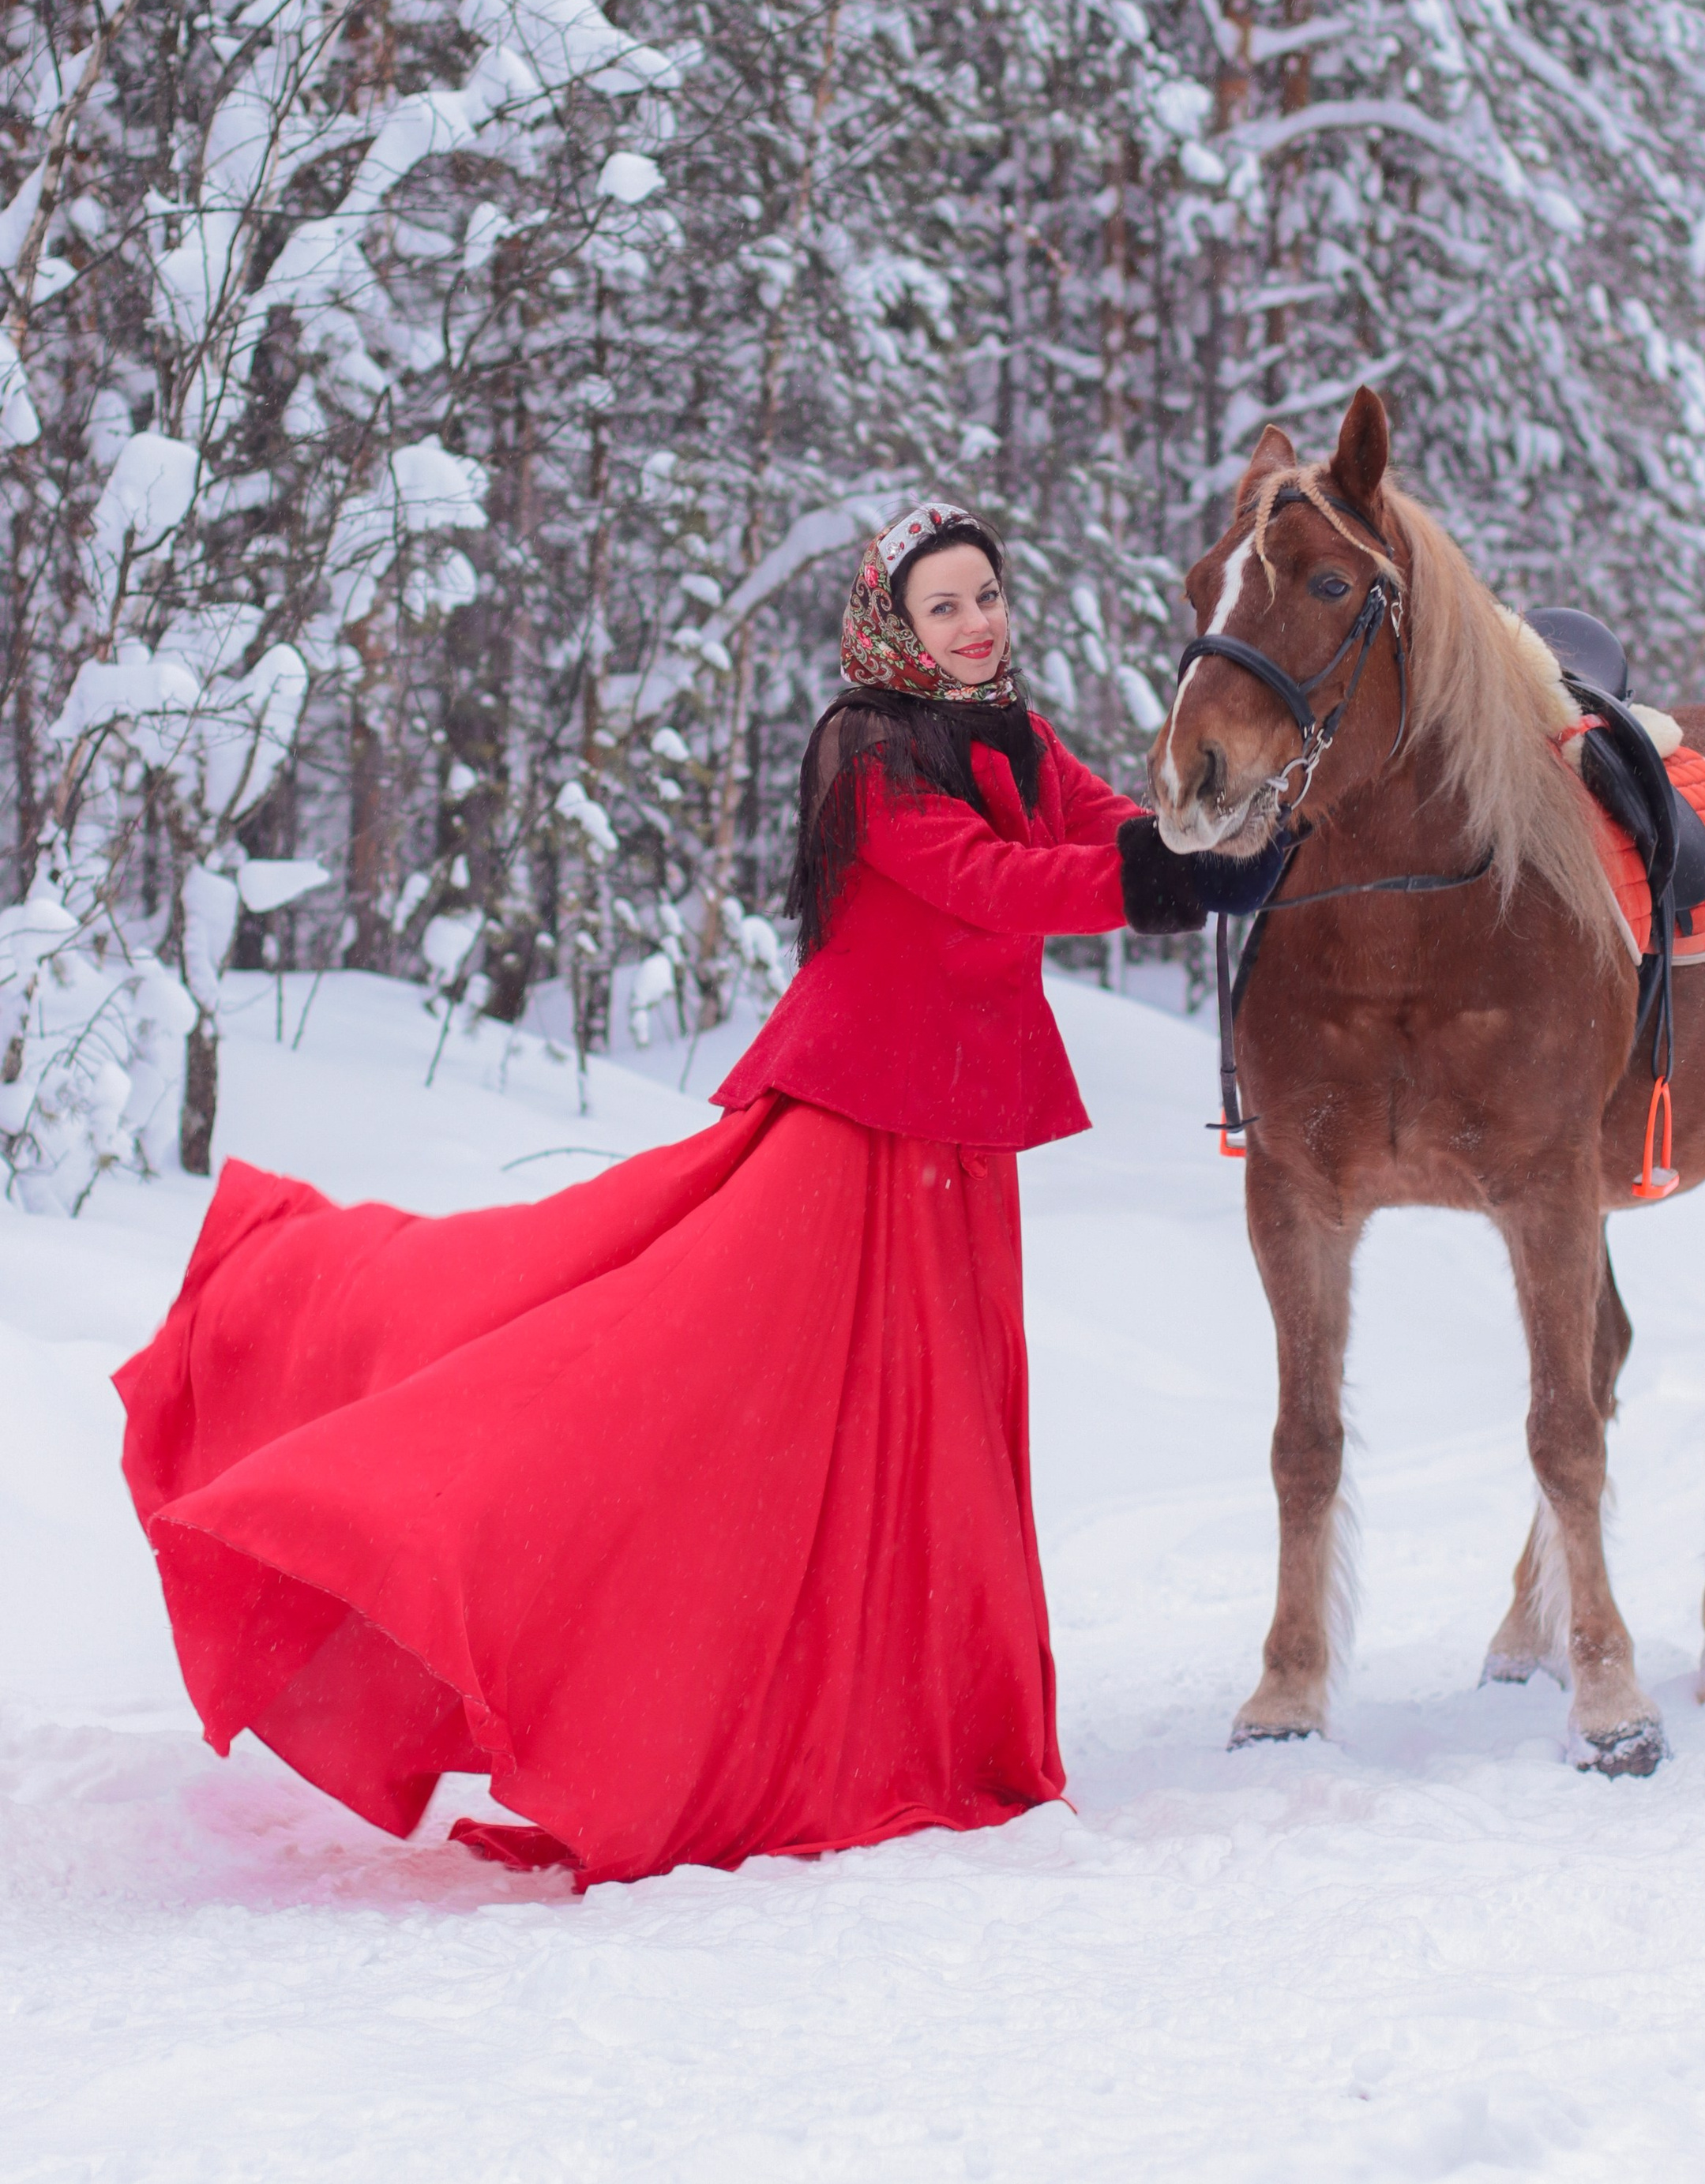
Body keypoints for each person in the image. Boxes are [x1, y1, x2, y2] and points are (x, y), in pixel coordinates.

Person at [115, 502, 1284, 1888]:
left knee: (940, 1436)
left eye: (988, 596)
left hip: (956, 1137)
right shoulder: (867, 750)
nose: (976, 625)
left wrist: (1222, 841)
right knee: (702, 1398)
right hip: (854, 1129)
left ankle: (924, 1729)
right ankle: (345, 1379)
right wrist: (1168, 886)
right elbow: (987, 882)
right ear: (893, 627)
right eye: (945, 606)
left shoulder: (1010, 730)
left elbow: (1110, 827)